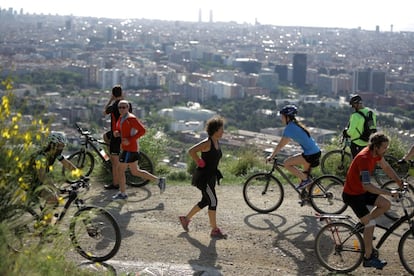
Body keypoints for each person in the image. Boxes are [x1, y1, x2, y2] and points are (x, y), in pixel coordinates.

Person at [342, 132, 403, 269]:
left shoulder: (376, 154)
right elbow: (367, 185)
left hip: (362, 192)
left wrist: (399, 182)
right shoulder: (364, 158)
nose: (386, 150)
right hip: (353, 195)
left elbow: (386, 167)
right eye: (384, 147)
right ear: (376, 146)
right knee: (371, 224)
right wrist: (389, 192)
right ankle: (368, 258)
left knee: (385, 204)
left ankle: (361, 225)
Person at [179, 116, 227, 239]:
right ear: (215, 130)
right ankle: (215, 230)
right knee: (213, 201)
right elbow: (191, 151)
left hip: (210, 178)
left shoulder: (217, 141)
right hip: (204, 178)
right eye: (221, 129)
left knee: (206, 201)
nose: (223, 132)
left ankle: (185, 219)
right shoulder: (208, 142)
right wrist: (199, 161)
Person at [112, 100, 165, 200]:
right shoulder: (121, 118)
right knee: (135, 171)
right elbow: (119, 129)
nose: (122, 109)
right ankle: (159, 181)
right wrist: (116, 132)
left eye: (124, 107)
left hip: (130, 149)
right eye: (120, 107)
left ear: (128, 108)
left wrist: (130, 140)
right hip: (127, 148)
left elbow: (143, 130)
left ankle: (122, 194)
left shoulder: (131, 118)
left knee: (120, 169)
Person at [266, 105, 321, 190]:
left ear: (287, 117)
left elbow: (280, 145)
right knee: (304, 176)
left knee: (287, 163)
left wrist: (271, 156)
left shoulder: (290, 128)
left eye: (283, 117)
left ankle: (306, 180)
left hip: (310, 154)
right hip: (314, 152)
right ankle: (308, 199)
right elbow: (285, 143)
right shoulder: (295, 125)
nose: (281, 119)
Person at [29, 132, 79, 222]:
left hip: (39, 180)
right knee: (52, 198)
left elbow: (67, 164)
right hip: (30, 182)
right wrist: (54, 188)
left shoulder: (55, 153)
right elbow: (42, 176)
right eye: (60, 146)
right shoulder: (41, 157)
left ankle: (47, 216)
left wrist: (81, 175)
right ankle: (44, 227)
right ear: (52, 145)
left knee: (55, 198)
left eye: (63, 146)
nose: (61, 148)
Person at [102, 85, 126, 190]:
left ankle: (115, 184)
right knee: (105, 137)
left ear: (113, 94)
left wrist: (110, 100)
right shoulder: (126, 104)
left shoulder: (114, 106)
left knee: (114, 162)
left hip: (116, 134)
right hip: (124, 132)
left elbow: (104, 112)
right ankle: (112, 152)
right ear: (121, 93)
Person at [345, 94, 377, 158]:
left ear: (357, 104)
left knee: (356, 159)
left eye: (353, 105)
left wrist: (346, 133)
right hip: (368, 141)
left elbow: (351, 131)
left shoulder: (355, 116)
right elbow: (373, 126)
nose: (352, 107)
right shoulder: (370, 113)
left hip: (357, 141)